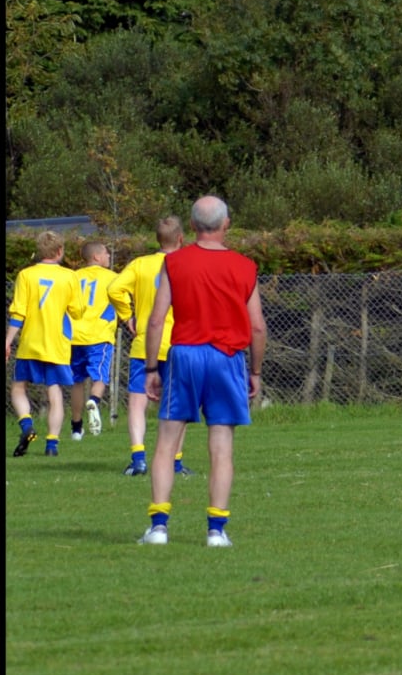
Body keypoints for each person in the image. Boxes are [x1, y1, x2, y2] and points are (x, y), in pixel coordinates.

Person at [139, 196, 268, 547]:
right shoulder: (245, 266)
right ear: (226, 224)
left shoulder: (175, 263)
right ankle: (216, 530)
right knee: (222, 446)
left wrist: (152, 367)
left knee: (167, 442)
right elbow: (257, 327)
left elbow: (155, 319)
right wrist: (254, 371)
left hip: (184, 356)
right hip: (227, 358)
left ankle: (159, 527)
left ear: (192, 227)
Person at [108, 215, 189, 477]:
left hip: (146, 343)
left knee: (137, 401)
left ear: (157, 239)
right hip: (180, 342)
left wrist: (126, 315)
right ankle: (175, 462)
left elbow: (114, 288)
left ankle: (139, 458)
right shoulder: (187, 264)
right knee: (178, 405)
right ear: (180, 238)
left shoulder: (140, 264)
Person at [5, 230, 87, 458]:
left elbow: (18, 313)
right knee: (55, 392)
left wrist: (7, 341)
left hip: (31, 342)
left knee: (19, 387)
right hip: (57, 344)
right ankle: (52, 444)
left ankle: (27, 425)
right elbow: (78, 311)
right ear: (60, 251)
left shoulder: (26, 275)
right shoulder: (69, 277)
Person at [68, 240, 119, 442]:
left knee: (77, 381)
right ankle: (94, 401)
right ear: (97, 257)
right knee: (100, 377)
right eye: (106, 253)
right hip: (99, 335)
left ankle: (76, 428)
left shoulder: (73, 277)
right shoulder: (113, 278)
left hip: (74, 336)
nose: (108, 257)